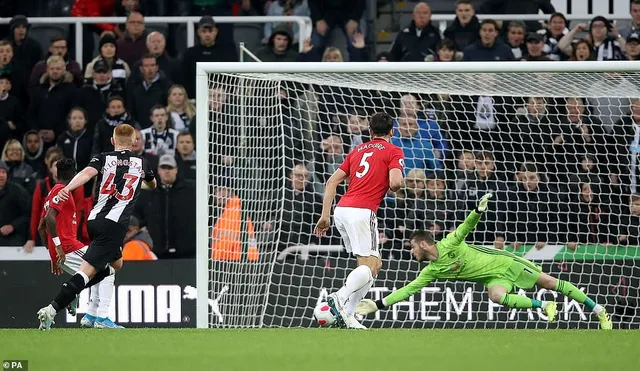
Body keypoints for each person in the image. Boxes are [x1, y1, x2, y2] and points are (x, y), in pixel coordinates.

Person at [355, 194, 613, 330]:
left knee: (550, 282)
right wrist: (377, 304)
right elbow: (407, 290)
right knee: (496, 295)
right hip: (494, 278)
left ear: (423, 244)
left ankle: (599, 311)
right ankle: (543, 305)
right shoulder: (431, 271)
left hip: (506, 263)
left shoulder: (450, 243)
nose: (410, 252)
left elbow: (466, 227)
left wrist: (478, 211)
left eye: (412, 247)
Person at [36, 124, 157, 330]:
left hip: (94, 221)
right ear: (135, 142)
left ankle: (91, 314)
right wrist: (139, 182)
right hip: (114, 225)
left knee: (115, 265)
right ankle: (57, 310)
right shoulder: (142, 163)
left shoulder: (102, 158)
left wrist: (67, 188)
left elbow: (85, 174)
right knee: (88, 272)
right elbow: (152, 185)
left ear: (112, 141)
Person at [314, 112, 404, 329]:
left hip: (341, 211)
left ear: (370, 131)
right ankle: (339, 298)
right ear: (392, 131)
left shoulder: (356, 151)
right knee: (369, 264)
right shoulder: (393, 150)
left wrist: (325, 215)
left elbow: (331, 182)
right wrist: (398, 181)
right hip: (362, 211)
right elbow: (395, 183)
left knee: (373, 264)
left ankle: (349, 316)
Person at [36, 158, 122, 329]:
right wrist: (59, 246)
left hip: (62, 249)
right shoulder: (63, 191)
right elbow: (49, 219)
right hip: (68, 247)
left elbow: (40, 227)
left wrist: (52, 252)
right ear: (75, 174)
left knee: (96, 273)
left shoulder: (52, 192)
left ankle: (88, 314)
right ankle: (100, 317)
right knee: (108, 267)